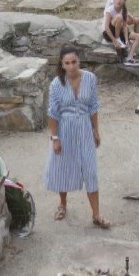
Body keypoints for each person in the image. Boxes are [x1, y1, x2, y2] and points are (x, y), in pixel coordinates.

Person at [44, 46, 110, 229]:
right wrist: (55, 139)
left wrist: (95, 130)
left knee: (90, 169)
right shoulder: (56, 84)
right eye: (67, 63)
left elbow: (93, 107)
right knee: (63, 167)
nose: (71, 66)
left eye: (74, 62)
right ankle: (63, 204)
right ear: (62, 64)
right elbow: (52, 114)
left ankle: (96, 214)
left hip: (84, 129)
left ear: (79, 61)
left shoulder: (89, 78)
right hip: (65, 129)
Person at [102, 0, 139, 67]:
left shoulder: (124, 10)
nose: (119, 1)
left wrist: (126, 40)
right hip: (110, 32)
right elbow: (106, 27)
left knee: (138, 36)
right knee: (119, 17)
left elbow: (124, 26)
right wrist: (114, 41)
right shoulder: (110, 10)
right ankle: (117, 38)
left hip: (120, 32)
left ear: (124, 1)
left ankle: (129, 57)